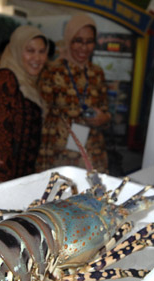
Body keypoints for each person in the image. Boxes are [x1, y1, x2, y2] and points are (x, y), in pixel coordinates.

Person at [36, 13, 111, 173]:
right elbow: (43, 115)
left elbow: (106, 111)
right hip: (60, 153)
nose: (84, 48)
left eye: (89, 41)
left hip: (92, 151)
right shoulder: (53, 70)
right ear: (69, 39)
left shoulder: (97, 73)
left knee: (93, 194)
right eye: (78, 41)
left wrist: (104, 118)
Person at [0, 25, 48, 183]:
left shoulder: (29, 84)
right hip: (3, 182)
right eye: (30, 51)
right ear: (17, 50)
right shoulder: (5, 79)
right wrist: (2, 185)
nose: (37, 58)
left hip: (21, 180)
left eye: (42, 51)